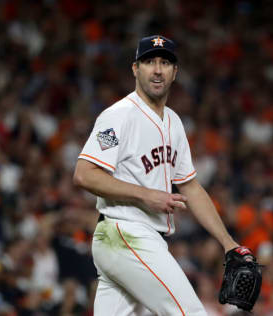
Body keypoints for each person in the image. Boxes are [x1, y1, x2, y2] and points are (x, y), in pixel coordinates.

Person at [73, 35, 246, 316]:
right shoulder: (118, 116)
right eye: (149, 61)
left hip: (128, 241)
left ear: (174, 72)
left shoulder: (174, 122)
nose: (157, 69)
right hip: (126, 232)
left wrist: (228, 242)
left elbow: (190, 186)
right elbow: (84, 174)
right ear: (135, 69)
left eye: (165, 63)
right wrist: (145, 194)